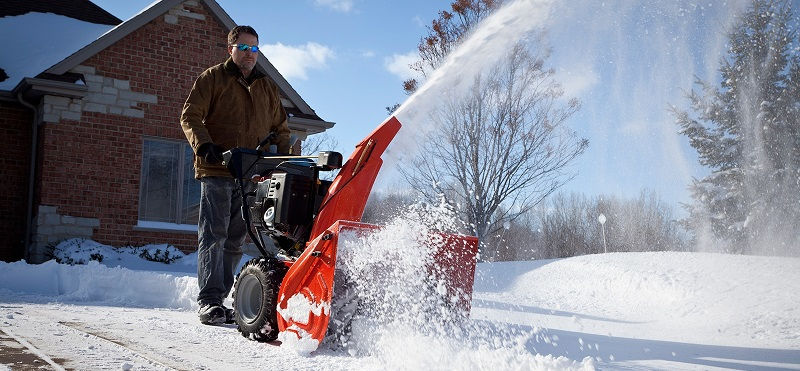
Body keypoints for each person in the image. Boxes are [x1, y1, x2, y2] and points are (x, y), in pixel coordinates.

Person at [180, 25, 291, 325]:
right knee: (213, 235)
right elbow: (190, 115)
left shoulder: (266, 87)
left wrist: (284, 164)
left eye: (254, 49)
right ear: (230, 48)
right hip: (217, 169)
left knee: (235, 239)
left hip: (250, 175)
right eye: (243, 48)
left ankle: (221, 299)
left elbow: (281, 130)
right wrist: (204, 145)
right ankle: (209, 301)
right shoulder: (213, 78)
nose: (249, 54)